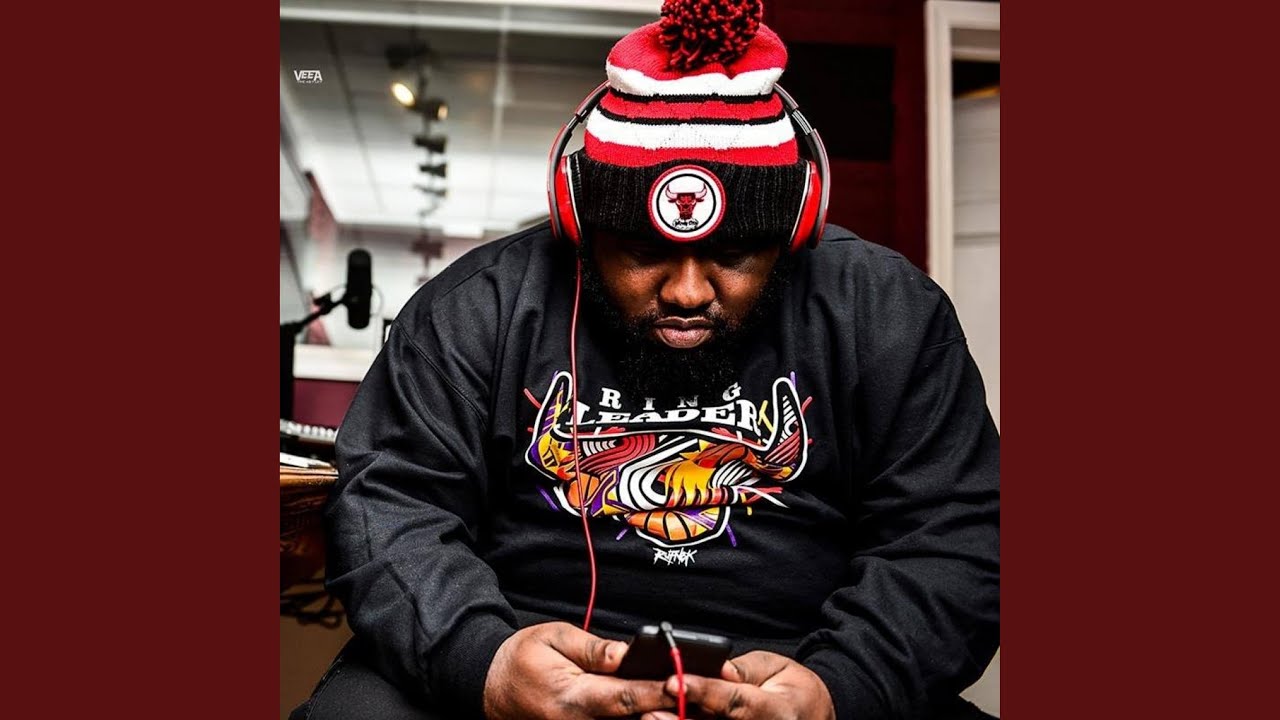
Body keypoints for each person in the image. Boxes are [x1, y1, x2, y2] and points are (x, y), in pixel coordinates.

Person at [291, 2, 999, 718]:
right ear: (580, 222)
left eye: (733, 254)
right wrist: (484, 662)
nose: (687, 292)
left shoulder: (887, 313)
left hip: (804, 665)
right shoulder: (477, 308)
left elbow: (952, 537)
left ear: (795, 229)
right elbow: (392, 502)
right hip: (518, 649)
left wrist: (841, 689)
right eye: (642, 251)